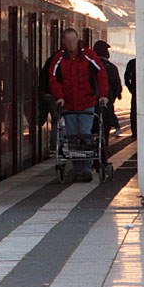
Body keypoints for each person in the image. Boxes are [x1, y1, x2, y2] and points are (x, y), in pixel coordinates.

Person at [49, 28, 109, 182]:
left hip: (87, 101)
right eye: (68, 41)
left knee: (85, 133)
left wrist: (103, 95)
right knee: (72, 137)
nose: (71, 44)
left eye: (73, 40)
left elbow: (101, 73)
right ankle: (78, 168)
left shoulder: (88, 55)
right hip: (68, 104)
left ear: (78, 39)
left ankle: (86, 168)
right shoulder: (59, 58)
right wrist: (60, 97)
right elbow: (53, 79)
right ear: (64, 41)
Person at [92, 40, 122, 151]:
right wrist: (113, 98)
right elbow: (117, 86)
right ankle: (103, 150)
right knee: (104, 128)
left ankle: (92, 149)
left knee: (91, 128)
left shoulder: (89, 66)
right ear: (106, 53)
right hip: (106, 104)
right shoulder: (111, 67)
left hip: (89, 104)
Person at [124, 58, 136, 138]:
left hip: (135, 90)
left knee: (134, 111)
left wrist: (131, 89)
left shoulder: (132, 62)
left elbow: (126, 78)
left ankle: (134, 131)